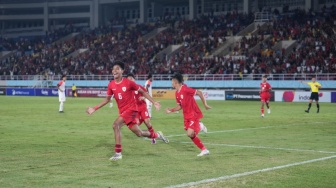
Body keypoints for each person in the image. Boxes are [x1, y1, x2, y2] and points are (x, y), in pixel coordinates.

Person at [86, 62, 168, 161]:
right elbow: (107, 99)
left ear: (122, 71)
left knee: (116, 125)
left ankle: (118, 153)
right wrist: (94, 108)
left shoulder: (128, 83)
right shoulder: (111, 85)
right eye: (113, 69)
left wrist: (154, 102)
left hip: (132, 109)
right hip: (123, 112)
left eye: (117, 69)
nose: (114, 70)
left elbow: (143, 91)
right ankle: (158, 135)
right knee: (139, 133)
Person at [165, 73, 211, 157]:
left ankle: (200, 129)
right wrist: (171, 110)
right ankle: (204, 149)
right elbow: (180, 106)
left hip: (193, 114)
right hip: (186, 116)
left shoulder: (185, 89)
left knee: (189, 133)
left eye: (172, 81)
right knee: (191, 134)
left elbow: (199, 93)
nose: (171, 83)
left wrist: (205, 105)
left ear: (176, 82)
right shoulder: (177, 93)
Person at [127, 73, 158, 144]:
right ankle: (149, 133)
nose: (130, 81)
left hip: (142, 107)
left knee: (147, 122)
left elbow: (146, 94)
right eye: (128, 80)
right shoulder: (128, 90)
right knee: (136, 126)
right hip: (135, 110)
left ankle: (153, 137)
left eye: (131, 79)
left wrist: (143, 97)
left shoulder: (139, 87)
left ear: (134, 79)